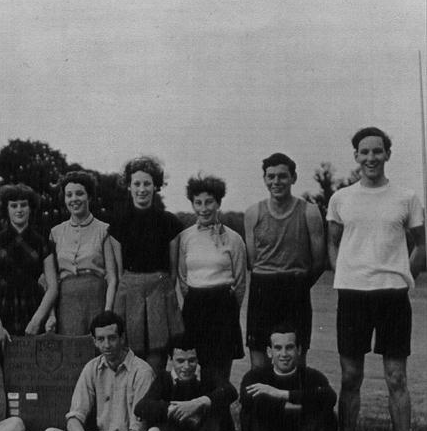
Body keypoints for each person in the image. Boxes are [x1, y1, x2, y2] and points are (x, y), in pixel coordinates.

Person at [322, 127, 425, 431]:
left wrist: (399, 276)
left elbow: (421, 245)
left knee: (396, 377)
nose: (370, 158)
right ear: (355, 156)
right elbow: (332, 243)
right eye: (363, 152)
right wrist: (348, 273)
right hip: (352, 296)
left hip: (392, 297)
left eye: (377, 151)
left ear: (387, 154)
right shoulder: (341, 198)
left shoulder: (407, 197)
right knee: (351, 377)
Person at [42, 311, 158, 431]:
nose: (107, 345)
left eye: (112, 338)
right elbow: (74, 419)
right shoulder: (92, 368)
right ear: (94, 341)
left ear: (122, 338)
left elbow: (139, 429)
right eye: (101, 339)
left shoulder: (142, 371)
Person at [244, 153, 325, 368]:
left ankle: (294, 402)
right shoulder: (253, 212)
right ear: (264, 179)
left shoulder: (309, 212)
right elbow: (252, 260)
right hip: (262, 290)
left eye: (282, 176)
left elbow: (318, 261)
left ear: (293, 178)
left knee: (294, 362)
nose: (276, 182)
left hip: (295, 290)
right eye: (270, 177)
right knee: (259, 362)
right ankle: (260, 402)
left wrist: (298, 283)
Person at [109, 156, 184, 373]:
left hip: (160, 292)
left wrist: (160, 289)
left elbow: (172, 269)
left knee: (157, 357)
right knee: (131, 356)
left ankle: (155, 401)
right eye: (137, 184)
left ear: (156, 186)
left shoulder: (169, 223)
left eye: (147, 183)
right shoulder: (118, 224)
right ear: (129, 186)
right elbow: (120, 268)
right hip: (129, 291)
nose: (142, 189)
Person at [240, 326, 337, 431]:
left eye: (289, 347)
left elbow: (330, 397)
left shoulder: (313, 377)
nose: (284, 354)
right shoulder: (255, 377)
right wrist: (299, 403)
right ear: (269, 352)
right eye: (278, 348)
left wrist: (280, 394)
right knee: (249, 412)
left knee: (327, 412)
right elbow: (249, 400)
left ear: (299, 350)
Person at [134, 340, 238, 431]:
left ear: (198, 359)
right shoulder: (164, 378)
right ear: (170, 360)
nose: (186, 367)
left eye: (192, 360)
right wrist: (172, 409)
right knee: (166, 415)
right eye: (180, 361)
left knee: (213, 409)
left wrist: (198, 403)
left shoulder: (208, 374)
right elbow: (141, 407)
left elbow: (230, 392)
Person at [177, 175, 246, 386]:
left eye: (209, 202)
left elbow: (241, 282)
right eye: (198, 202)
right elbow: (182, 278)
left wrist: (230, 311)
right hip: (195, 307)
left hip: (223, 309)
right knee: (192, 369)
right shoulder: (185, 237)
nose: (204, 208)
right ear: (192, 204)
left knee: (219, 374)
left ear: (218, 203)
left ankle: (218, 416)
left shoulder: (233, 239)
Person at [0, 183, 58, 363]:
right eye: (13, 205)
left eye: (23, 205)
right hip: (3, 309)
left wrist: (37, 320)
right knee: (1, 364)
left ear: (31, 208)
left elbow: (53, 286)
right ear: (6, 208)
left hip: (32, 307)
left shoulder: (43, 243)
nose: (19, 210)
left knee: (33, 368)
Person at [50, 171, 117, 335]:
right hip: (66, 300)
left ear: (89, 197)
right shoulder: (56, 232)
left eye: (79, 193)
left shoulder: (104, 230)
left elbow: (112, 277)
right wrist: (51, 314)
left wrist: (107, 312)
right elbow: (50, 278)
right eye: (69, 195)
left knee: (96, 349)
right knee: (70, 351)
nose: (74, 199)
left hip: (96, 296)